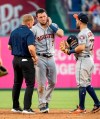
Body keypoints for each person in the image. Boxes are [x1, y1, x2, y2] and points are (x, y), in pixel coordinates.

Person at [60, 13, 100, 114]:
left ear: (81, 21)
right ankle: (97, 104)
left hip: (83, 60)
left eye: (77, 20)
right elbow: (85, 48)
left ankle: (81, 108)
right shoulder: (89, 32)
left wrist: (69, 51)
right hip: (89, 59)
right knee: (86, 84)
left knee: (82, 84)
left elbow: (81, 48)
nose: (76, 21)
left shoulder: (82, 33)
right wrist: (70, 49)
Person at [31, 8, 64, 113]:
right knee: (41, 84)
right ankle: (42, 104)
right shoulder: (34, 29)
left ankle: (45, 100)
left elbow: (61, 34)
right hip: (39, 57)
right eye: (40, 17)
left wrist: (52, 26)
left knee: (53, 82)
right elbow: (30, 44)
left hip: (51, 57)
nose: (43, 18)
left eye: (44, 16)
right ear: (37, 18)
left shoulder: (52, 26)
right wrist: (33, 57)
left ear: (47, 16)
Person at [8, 14, 38, 114]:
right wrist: (35, 57)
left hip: (15, 60)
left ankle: (15, 107)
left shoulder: (13, 32)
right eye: (33, 23)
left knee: (17, 83)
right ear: (29, 22)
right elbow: (31, 48)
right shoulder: (29, 33)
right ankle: (26, 108)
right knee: (30, 84)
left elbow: (9, 47)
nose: (32, 24)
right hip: (26, 60)